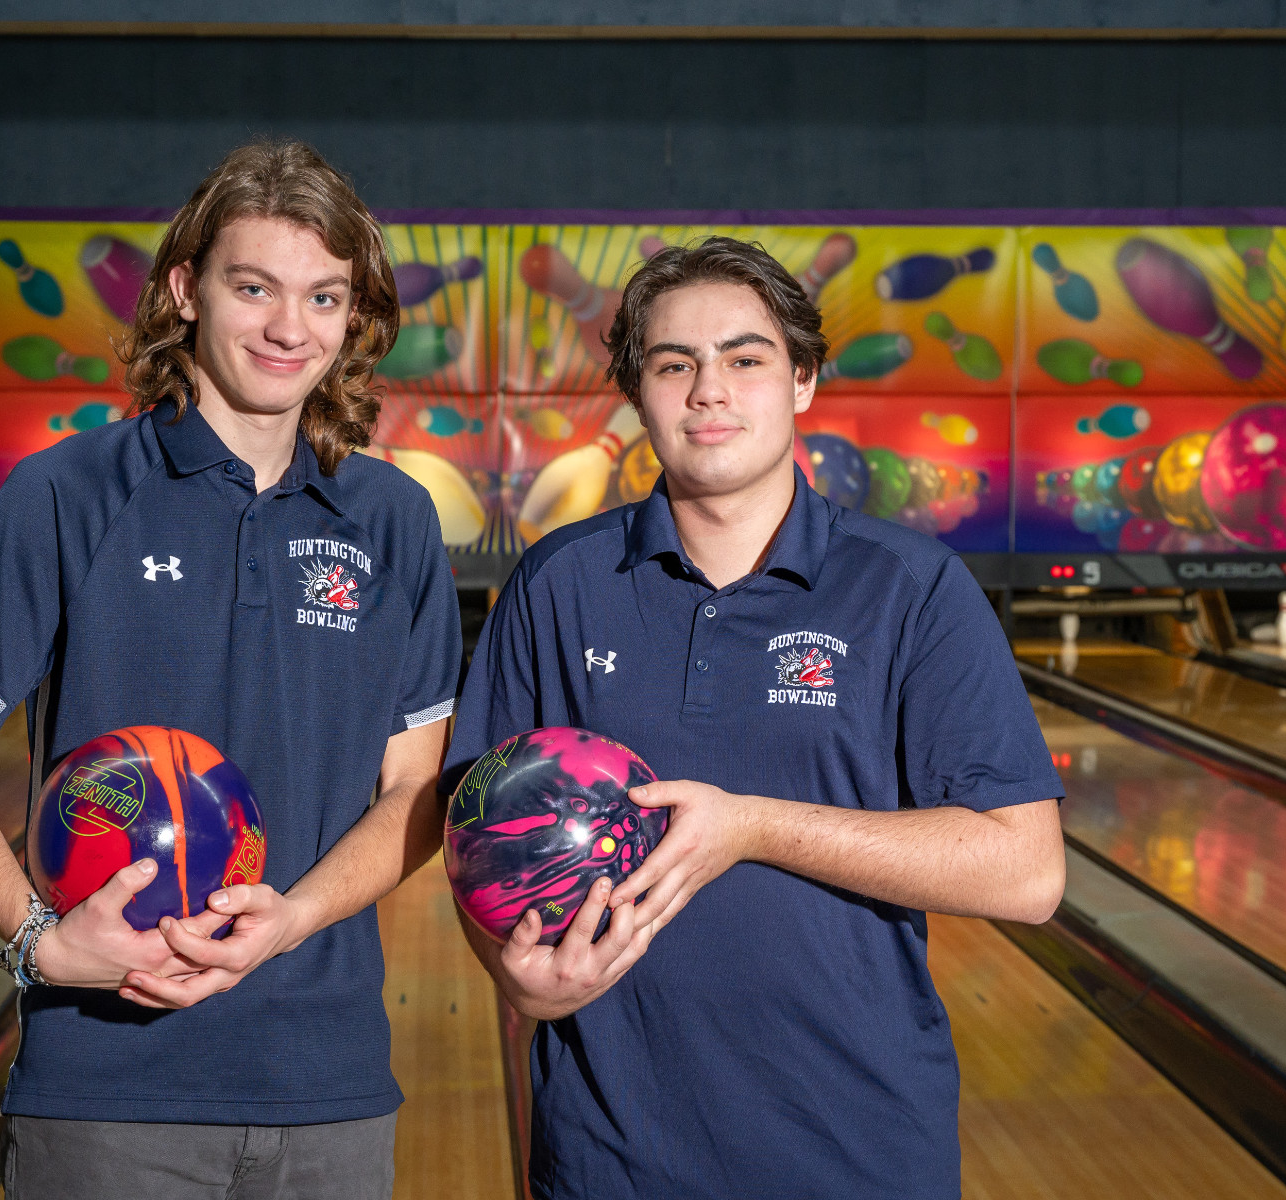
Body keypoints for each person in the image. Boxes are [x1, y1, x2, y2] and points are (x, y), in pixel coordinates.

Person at [0, 140, 461, 1200]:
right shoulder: (67, 494)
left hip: (327, 1086)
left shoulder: (394, 520)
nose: (292, 328)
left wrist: (290, 918)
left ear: (353, 316)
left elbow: (418, 793)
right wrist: (44, 946)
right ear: (186, 291)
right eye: (256, 287)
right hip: (104, 1093)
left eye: (324, 297)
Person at [444, 236, 1065, 1199]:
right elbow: (475, 832)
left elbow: (1025, 872)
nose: (709, 391)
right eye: (673, 364)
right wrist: (512, 975)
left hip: (856, 1153)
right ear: (637, 390)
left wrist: (754, 826)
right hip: (611, 1155)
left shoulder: (911, 589)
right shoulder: (559, 583)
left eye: (745, 358)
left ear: (802, 381)